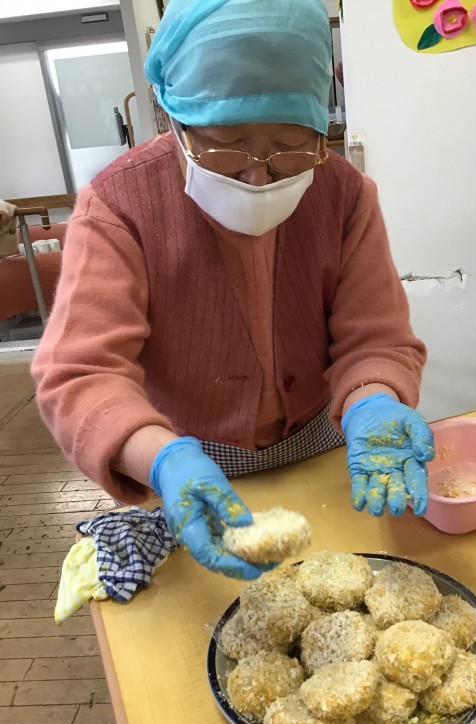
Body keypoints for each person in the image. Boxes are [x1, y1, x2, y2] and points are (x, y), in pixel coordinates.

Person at [32, 0, 434, 581]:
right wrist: (163, 459)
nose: (257, 176)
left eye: (290, 147)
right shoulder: (119, 206)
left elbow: (376, 339)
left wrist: (374, 403)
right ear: (175, 120)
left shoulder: (344, 196)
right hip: (181, 464)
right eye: (227, 144)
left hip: (323, 450)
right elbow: (80, 371)